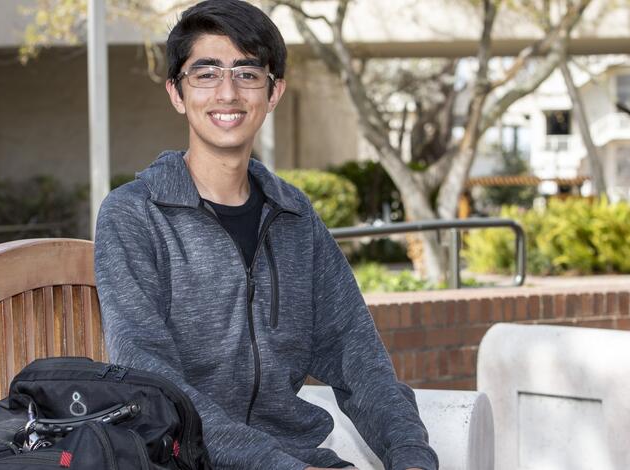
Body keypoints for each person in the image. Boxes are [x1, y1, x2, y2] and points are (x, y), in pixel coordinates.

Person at [94, 1, 438, 469]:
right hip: (181, 460)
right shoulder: (135, 215)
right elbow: (151, 378)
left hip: (297, 457)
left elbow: (360, 360)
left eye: (247, 73)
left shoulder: (294, 217)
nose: (228, 92)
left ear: (273, 91)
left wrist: (412, 456)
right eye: (206, 73)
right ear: (177, 92)